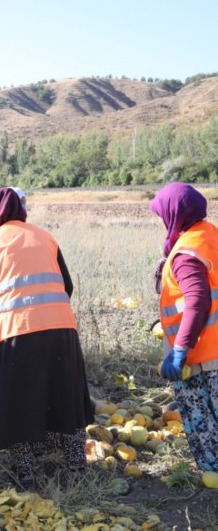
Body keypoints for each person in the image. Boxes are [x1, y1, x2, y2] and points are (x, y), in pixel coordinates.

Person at [0, 187, 93, 489]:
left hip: (14, 335)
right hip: (61, 331)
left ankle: (27, 474)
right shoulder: (45, 237)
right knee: (63, 394)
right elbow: (66, 286)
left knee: (18, 401)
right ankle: (75, 467)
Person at [150, 183, 218, 472]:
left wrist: (179, 349)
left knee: (202, 416)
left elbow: (198, 301)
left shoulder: (187, 253)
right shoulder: (208, 234)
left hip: (203, 353)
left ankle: (213, 473)